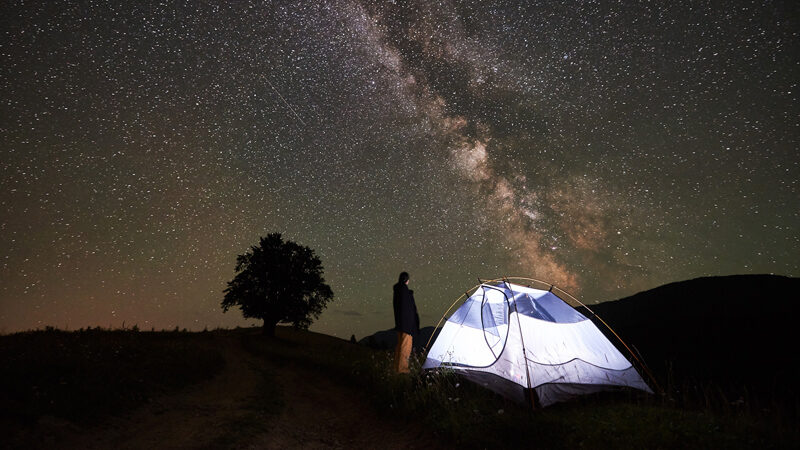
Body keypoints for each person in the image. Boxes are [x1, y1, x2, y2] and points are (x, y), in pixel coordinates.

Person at [392, 271, 419, 374]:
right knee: (405, 348)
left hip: (400, 324)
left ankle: (396, 368)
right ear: (407, 281)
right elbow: (410, 311)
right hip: (407, 326)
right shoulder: (405, 293)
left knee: (400, 346)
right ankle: (402, 370)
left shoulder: (398, 291)